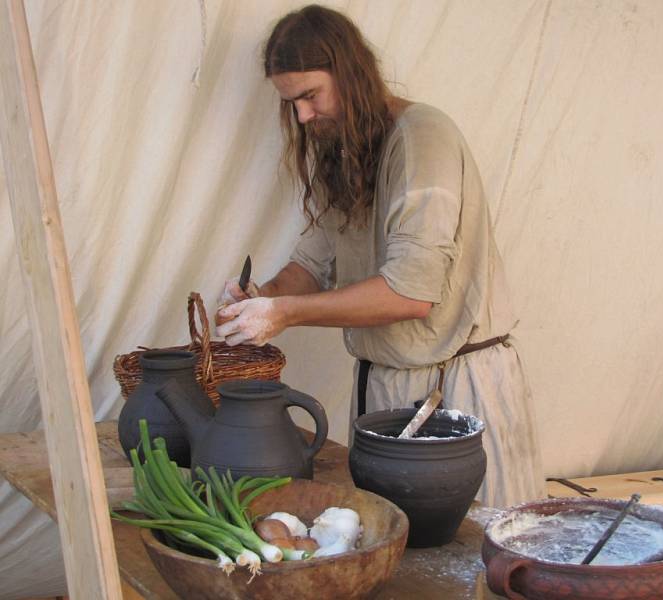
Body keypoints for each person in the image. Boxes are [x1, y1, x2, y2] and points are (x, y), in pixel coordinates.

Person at [216, 4, 544, 508]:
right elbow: (311, 262)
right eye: (291, 103)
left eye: (309, 96)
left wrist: (283, 315)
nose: (302, 116)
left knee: (479, 567)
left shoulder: (422, 137)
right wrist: (260, 298)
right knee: (401, 564)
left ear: (350, 71)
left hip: (456, 391)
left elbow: (410, 293)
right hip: (387, 389)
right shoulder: (346, 150)